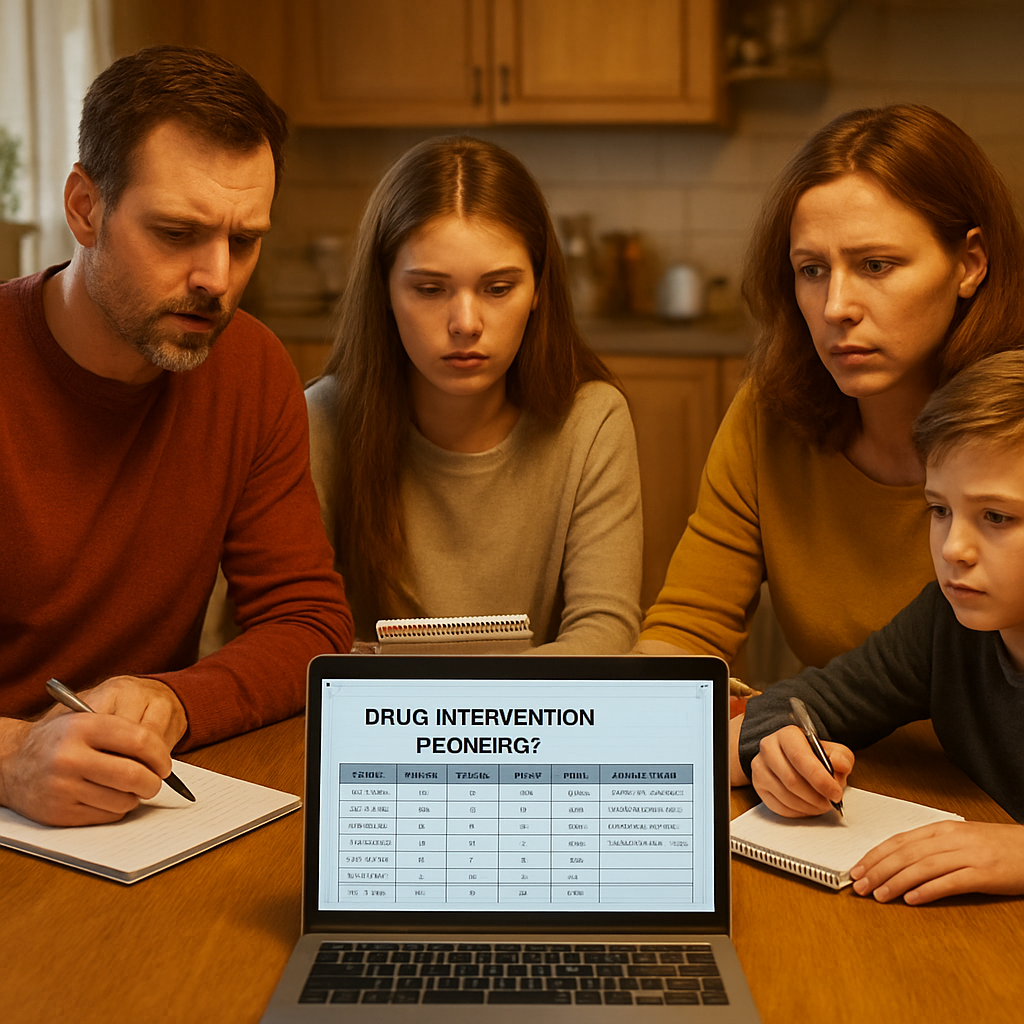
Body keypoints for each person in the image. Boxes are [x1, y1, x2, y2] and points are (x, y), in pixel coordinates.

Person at [0, 46, 353, 827]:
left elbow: (309, 626)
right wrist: (11, 759)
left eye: (244, 240)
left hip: (130, 817)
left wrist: (172, 699)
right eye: (175, 232)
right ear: (85, 208)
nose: (217, 279)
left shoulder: (250, 367)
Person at [636, 104, 1024, 674]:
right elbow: (689, 626)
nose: (836, 308)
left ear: (969, 263)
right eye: (812, 270)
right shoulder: (770, 412)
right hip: (827, 754)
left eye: (875, 265)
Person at [307, 136, 642, 651]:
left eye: (498, 288)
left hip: (538, 725)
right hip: (379, 724)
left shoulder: (592, 419)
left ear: (539, 291)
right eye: (429, 289)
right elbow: (293, 637)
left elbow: (604, 630)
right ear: (385, 292)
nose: (465, 324)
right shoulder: (322, 419)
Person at [731, 349, 1024, 904]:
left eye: (997, 517)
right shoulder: (946, 621)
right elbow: (806, 700)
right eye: (940, 510)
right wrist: (780, 751)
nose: (953, 549)